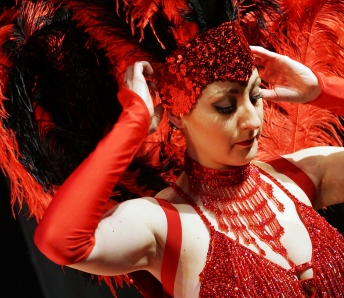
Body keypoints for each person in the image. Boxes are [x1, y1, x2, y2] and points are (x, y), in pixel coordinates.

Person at [33, 18, 344, 298]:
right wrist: (132, 124)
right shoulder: (163, 224)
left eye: (255, 96)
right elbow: (60, 242)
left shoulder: (297, 177)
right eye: (225, 106)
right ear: (176, 115)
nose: (252, 121)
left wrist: (321, 89)